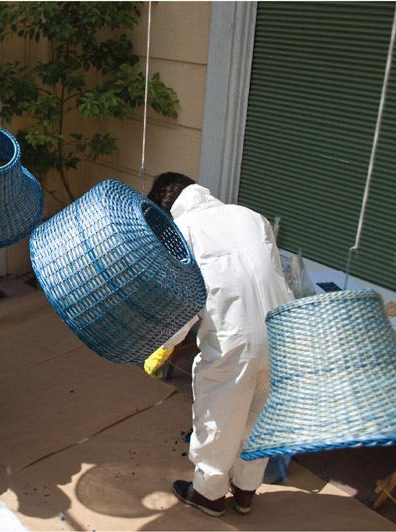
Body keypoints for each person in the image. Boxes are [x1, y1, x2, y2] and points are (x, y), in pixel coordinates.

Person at [144, 172, 294, 516]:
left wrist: (160, 345)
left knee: (219, 421)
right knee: (261, 421)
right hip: (283, 335)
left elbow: (180, 305)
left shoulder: (183, 232)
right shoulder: (250, 216)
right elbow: (275, 277)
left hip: (234, 342)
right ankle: (245, 493)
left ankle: (209, 495)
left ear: (167, 210)